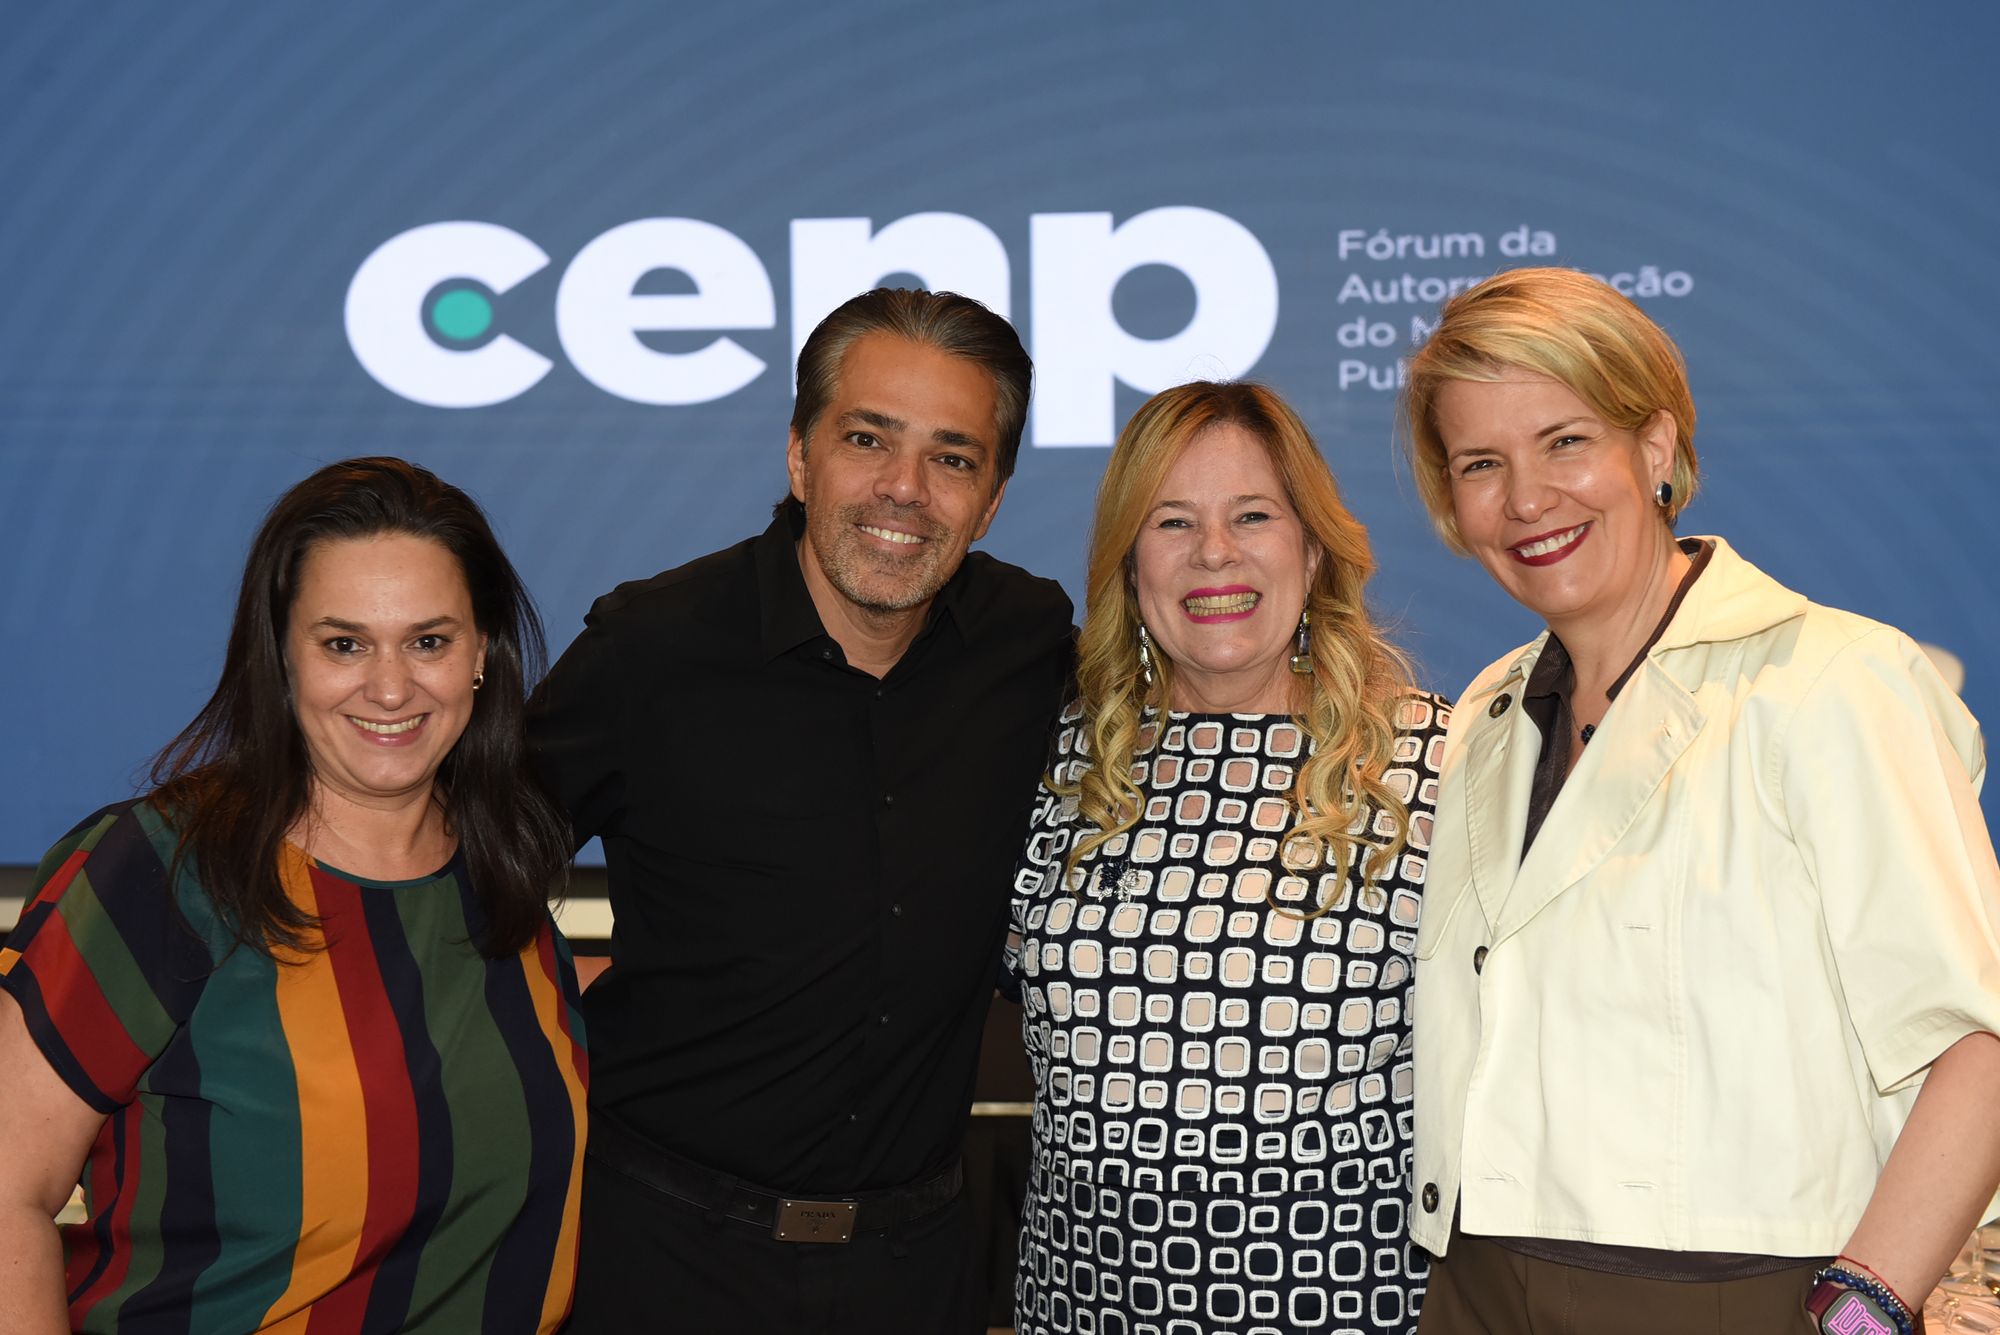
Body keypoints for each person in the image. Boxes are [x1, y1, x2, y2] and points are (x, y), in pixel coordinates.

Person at [1398, 266, 2000, 1335]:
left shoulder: (1833, 680)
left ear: (1656, 447)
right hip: (1475, 1288)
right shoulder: (1487, 711)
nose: (1526, 499)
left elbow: (1977, 1046)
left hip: (1737, 1297)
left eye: (1565, 441)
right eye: (1481, 463)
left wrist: (1862, 1311)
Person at [528, 287, 1074, 1333]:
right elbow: (460, 869)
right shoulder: (653, 650)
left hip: (916, 1275)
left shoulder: (1025, 642)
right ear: (798, 456)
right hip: (659, 1262)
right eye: (867, 438)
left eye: (953, 457)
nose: (904, 487)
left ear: (992, 499)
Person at [0, 458, 588, 1334]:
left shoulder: (502, 874)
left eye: (429, 641)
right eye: (344, 643)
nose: (390, 687)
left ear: (482, 654)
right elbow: (8, 1188)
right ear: (281, 657)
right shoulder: (166, 870)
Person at [1004, 380, 1450, 1335]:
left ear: (1313, 549)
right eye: (1172, 522)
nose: (1214, 551)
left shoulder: (1435, 769)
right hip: (1084, 1307)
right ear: (1129, 566)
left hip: (1345, 1308)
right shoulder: (1056, 768)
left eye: (1252, 515)